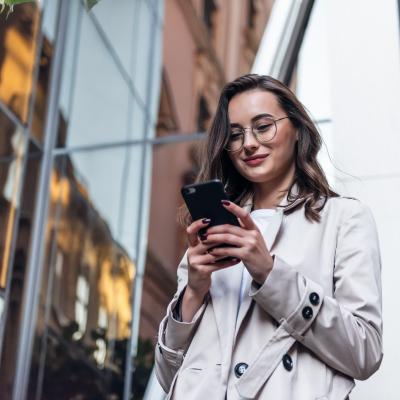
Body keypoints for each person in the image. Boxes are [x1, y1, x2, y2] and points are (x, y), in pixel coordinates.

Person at [154, 74, 383, 399]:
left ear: (297, 129)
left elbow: (366, 352)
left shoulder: (343, 219)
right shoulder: (211, 232)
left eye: (263, 126)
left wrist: (271, 274)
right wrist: (193, 292)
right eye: (235, 135)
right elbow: (167, 377)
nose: (248, 143)